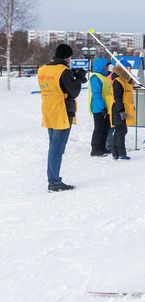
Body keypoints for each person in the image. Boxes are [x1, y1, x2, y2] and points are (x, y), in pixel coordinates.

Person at [38, 43, 87, 192]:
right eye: (70, 56)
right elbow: (73, 92)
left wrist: (73, 77)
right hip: (62, 112)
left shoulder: (43, 68)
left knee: (53, 145)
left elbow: (55, 84)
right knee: (57, 148)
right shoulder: (63, 70)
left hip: (48, 110)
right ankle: (53, 181)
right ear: (67, 56)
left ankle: (53, 178)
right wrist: (78, 79)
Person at [110, 61, 134, 160]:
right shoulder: (118, 81)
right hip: (118, 109)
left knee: (121, 131)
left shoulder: (127, 81)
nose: (129, 70)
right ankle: (121, 154)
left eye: (130, 68)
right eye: (127, 68)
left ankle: (115, 153)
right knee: (120, 131)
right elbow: (118, 97)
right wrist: (121, 111)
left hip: (124, 109)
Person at [89, 58, 112, 156]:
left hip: (106, 107)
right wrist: (102, 107)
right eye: (105, 66)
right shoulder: (95, 77)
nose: (107, 68)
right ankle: (95, 149)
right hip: (99, 108)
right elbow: (96, 94)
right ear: (101, 67)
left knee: (106, 128)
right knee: (99, 129)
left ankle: (102, 147)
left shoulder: (105, 77)